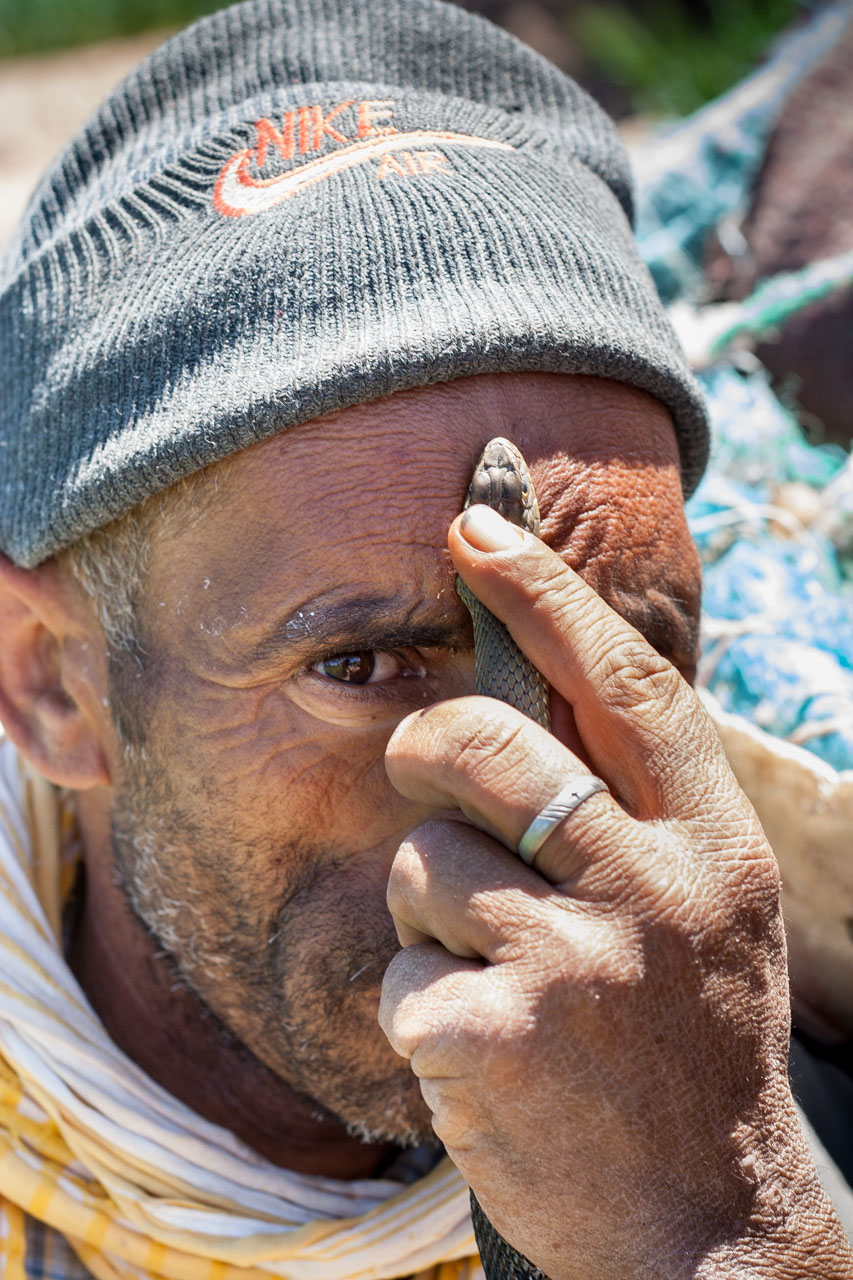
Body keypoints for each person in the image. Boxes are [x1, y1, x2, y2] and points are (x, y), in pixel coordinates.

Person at [0, 1, 850, 1277]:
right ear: (51, 682)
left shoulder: (780, 1091)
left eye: (617, 657)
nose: (519, 803)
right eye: (356, 667)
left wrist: (721, 1207)